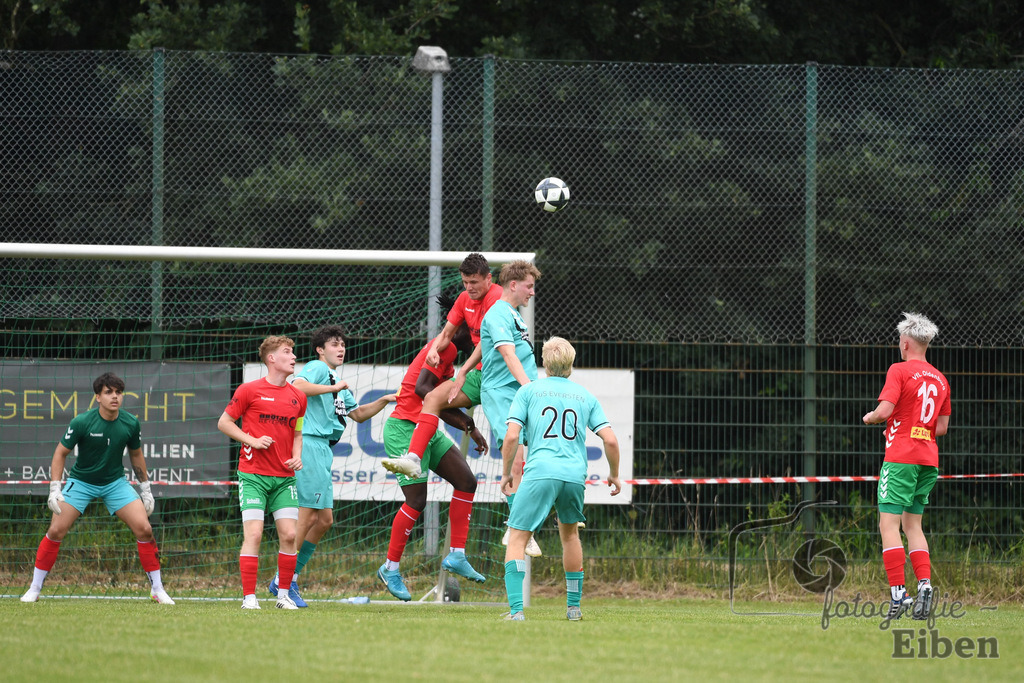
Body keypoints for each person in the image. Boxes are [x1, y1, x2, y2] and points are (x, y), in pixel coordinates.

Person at [382, 255, 543, 556]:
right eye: (465, 282)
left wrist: (523, 385)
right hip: (491, 381)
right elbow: (467, 339)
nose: (468, 287)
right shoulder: (493, 308)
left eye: (473, 282)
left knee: (520, 454)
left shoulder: (502, 306)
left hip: (502, 383)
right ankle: (414, 457)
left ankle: (522, 524)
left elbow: (495, 347)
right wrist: (445, 357)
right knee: (433, 398)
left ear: (490, 279)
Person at [20, 372, 174, 605]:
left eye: (118, 392)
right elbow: (60, 453)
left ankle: (157, 589)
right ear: (98, 397)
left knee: (144, 529)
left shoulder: (131, 423)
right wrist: (55, 488)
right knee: (56, 530)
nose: (115, 397)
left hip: (115, 483)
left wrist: (145, 489)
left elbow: (136, 455)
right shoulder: (82, 422)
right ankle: (34, 588)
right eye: (108, 392)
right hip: (81, 482)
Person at [269, 325, 395, 607]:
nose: (341, 349)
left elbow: (358, 414)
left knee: (325, 520)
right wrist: (332, 387)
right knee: (306, 516)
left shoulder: (336, 380)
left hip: (324, 450)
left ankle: (289, 576)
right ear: (320, 350)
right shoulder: (317, 368)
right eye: (334, 344)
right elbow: (297, 386)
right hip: (310, 445)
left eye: (343, 344)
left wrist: (385, 400)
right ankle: (283, 580)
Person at [500, 337, 621, 621]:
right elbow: (611, 441)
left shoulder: (528, 391)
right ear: (571, 363)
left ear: (544, 362)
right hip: (574, 475)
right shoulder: (585, 396)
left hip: (540, 471)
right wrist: (614, 474)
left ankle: (516, 611)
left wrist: (506, 473)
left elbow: (513, 436)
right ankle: (573, 608)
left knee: (517, 537)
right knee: (570, 535)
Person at [377, 296, 490, 600]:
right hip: (404, 428)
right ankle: (390, 567)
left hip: (426, 428)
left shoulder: (452, 354)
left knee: (466, 481)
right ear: (462, 328)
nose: (476, 339)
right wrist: (467, 420)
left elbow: (437, 403)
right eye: (474, 332)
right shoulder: (445, 346)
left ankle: (457, 554)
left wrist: (469, 426)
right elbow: (423, 390)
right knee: (417, 500)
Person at [863, 312, 950, 621]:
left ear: (905, 343)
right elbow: (941, 428)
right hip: (928, 460)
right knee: (913, 525)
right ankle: (924, 584)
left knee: (888, 525)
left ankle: (899, 594)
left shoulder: (898, 370)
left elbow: (884, 410)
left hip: (901, 458)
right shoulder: (940, 378)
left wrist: (871, 417)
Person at [217, 336, 307, 610]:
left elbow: (298, 433)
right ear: (271, 358)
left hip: (284, 478)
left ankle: (283, 596)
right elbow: (224, 422)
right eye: (287, 352)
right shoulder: (249, 390)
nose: (293, 357)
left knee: (289, 536)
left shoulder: (299, 397)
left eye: (293, 352)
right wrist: (252, 441)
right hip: (253, 475)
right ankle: (249, 598)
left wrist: (297, 456)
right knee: (254, 535)